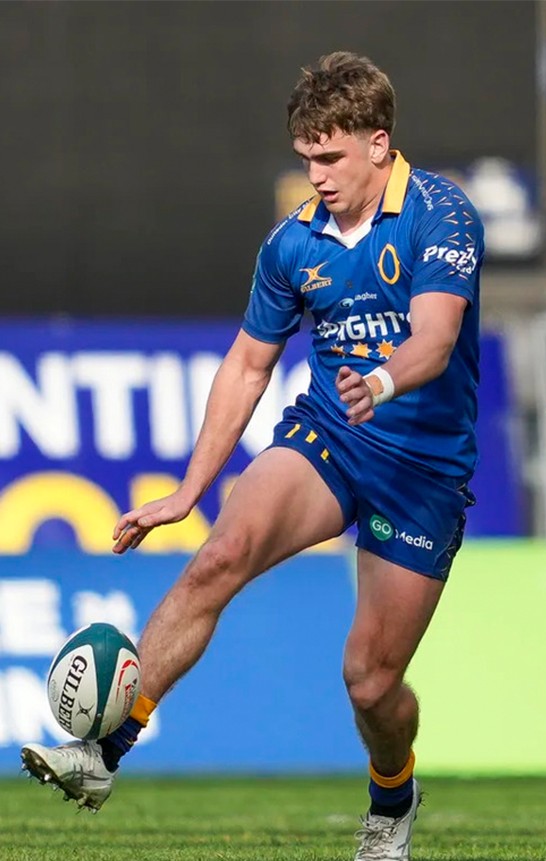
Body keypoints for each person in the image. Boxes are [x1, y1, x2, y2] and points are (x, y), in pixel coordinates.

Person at [21, 51, 483, 861]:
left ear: (379, 143)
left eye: (330, 157)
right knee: (220, 553)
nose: (317, 175)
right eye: (306, 157)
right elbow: (246, 365)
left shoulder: (440, 213)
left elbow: (437, 338)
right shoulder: (292, 243)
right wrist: (188, 489)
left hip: (423, 468)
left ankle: (393, 795)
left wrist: (381, 378)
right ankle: (102, 754)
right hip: (331, 436)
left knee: (371, 680)